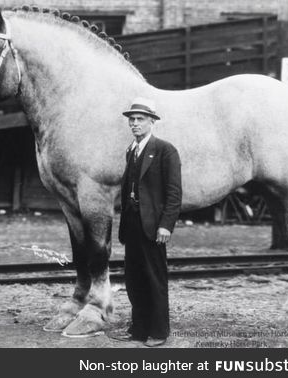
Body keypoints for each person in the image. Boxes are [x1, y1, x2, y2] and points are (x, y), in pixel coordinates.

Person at [115, 97, 182, 347]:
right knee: (134, 278)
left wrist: (166, 225)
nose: (134, 124)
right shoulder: (131, 150)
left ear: (152, 121)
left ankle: (159, 331)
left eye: (140, 119)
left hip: (154, 226)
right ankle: (139, 329)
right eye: (131, 120)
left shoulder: (165, 150)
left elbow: (174, 193)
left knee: (155, 278)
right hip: (132, 224)